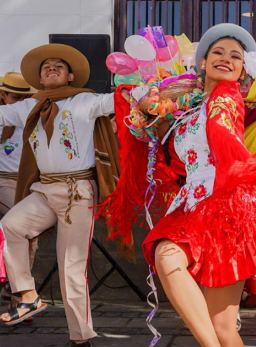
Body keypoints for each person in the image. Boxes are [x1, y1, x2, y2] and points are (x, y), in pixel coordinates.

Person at [141, 23, 256, 347]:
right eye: (218, 52)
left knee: (167, 256)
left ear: (243, 69)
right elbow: (171, 163)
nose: (227, 59)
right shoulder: (189, 112)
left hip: (226, 205)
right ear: (202, 62)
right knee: (223, 327)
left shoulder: (226, 97)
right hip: (195, 204)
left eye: (236, 56)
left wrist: (241, 167)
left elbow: (224, 133)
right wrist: (151, 115)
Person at [0, 43, 118, 347]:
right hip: (44, 190)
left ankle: (81, 338)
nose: (50, 68)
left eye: (58, 66)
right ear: (39, 78)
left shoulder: (85, 101)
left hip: (77, 192)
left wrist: (152, 89)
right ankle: (27, 295)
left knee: (71, 268)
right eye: (45, 66)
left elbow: (118, 101)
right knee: (11, 225)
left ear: (69, 76)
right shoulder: (30, 106)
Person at [0, 72, 36, 299]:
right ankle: (18, 291)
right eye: (16, 98)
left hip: (24, 181)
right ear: (4, 96)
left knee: (28, 235)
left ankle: (19, 290)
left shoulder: (30, 118)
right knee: (19, 230)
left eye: (25, 99)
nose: (21, 103)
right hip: (4, 178)